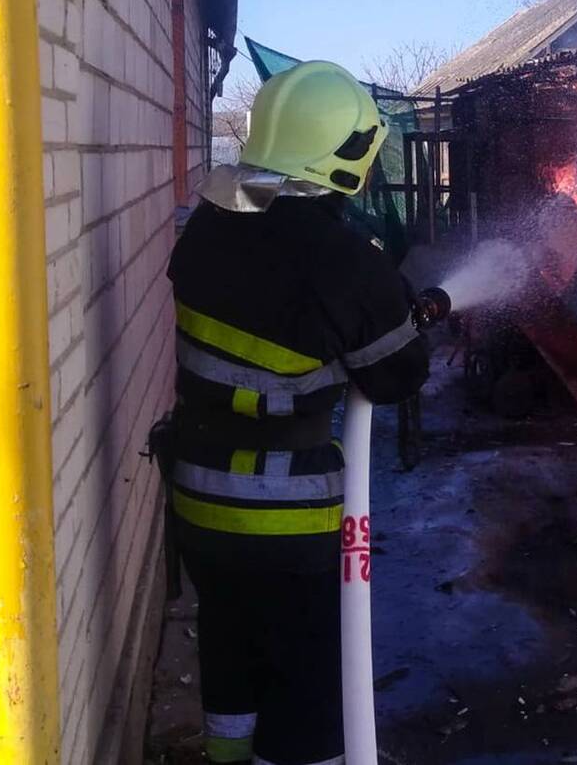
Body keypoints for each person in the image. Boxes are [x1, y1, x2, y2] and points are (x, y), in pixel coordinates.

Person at [164, 60, 429, 765]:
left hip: (195, 503)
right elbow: (399, 374)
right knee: (306, 684)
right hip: (287, 519)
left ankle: (226, 756)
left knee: (229, 644)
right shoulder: (347, 264)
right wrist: (401, 311)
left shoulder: (204, 234)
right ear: (344, 155)